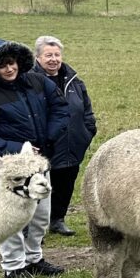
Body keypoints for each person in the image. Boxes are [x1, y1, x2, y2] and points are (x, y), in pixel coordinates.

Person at [0, 39, 68, 278]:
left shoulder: (37, 82)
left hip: (38, 164)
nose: (9, 69)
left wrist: (49, 137)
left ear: (18, 61)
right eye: (2, 66)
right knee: (10, 218)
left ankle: (34, 258)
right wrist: (19, 149)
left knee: (41, 214)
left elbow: (59, 108)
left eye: (11, 63)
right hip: (12, 170)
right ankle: (13, 266)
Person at [34, 35, 97, 237]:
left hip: (73, 142)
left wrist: (87, 131)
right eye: (48, 55)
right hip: (45, 145)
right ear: (38, 58)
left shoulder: (74, 81)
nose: (53, 59)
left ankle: (57, 219)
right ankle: (36, 227)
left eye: (56, 55)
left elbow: (86, 108)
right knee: (40, 184)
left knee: (66, 182)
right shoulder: (30, 82)